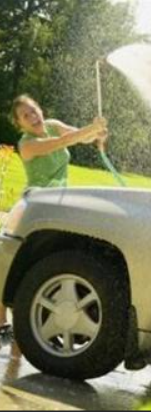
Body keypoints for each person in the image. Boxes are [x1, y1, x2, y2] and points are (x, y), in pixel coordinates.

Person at [0, 94, 108, 355]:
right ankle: (2, 323)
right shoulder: (26, 144)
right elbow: (63, 142)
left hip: (59, 208)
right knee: (7, 263)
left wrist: (97, 134)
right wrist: (91, 129)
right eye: (26, 116)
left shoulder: (53, 123)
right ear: (20, 124)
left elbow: (80, 137)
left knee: (37, 266)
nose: (34, 117)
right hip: (33, 207)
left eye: (34, 110)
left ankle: (23, 325)